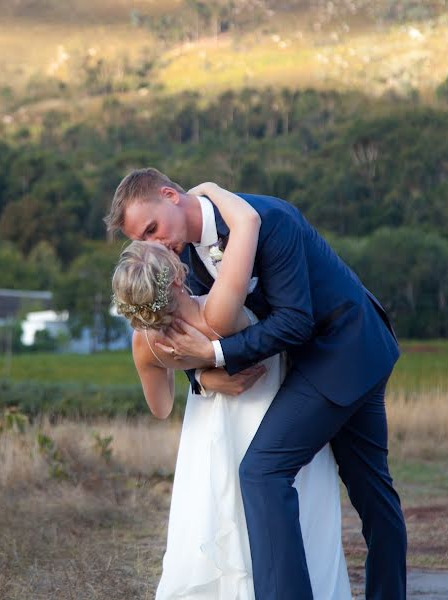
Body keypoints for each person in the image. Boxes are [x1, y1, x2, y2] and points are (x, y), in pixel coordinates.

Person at [106, 169, 406, 600]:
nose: (154, 244)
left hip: (342, 349)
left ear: (170, 195)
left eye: (152, 229)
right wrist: (204, 373)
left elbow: (294, 322)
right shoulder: (181, 261)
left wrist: (215, 359)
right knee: (354, 490)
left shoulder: (268, 220)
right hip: (310, 364)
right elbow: (195, 325)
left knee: (281, 475)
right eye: (143, 240)